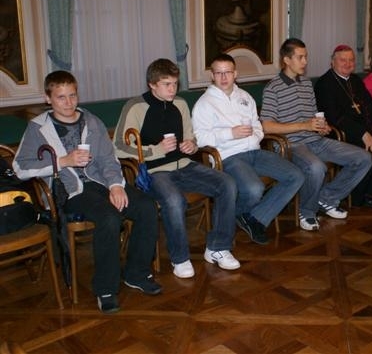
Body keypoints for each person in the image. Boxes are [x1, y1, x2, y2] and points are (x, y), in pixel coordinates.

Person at [13, 70, 161, 314]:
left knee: (146, 206)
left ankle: (136, 273)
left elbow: (108, 159)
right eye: (61, 97)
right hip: (70, 191)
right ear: (48, 98)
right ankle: (105, 289)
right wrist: (63, 161)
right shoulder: (38, 128)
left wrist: (115, 185)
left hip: (101, 182)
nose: (68, 103)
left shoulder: (91, 121)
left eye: (72, 95)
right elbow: (20, 168)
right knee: (109, 217)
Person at [113, 58, 240, 276]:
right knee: (173, 199)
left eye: (175, 84)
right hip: (155, 172)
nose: (173, 89)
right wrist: (156, 150)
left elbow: (191, 137)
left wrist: (192, 145)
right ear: (152, 84)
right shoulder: (135, 106)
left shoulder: (180, 104)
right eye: (166, 84)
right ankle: (180, 258)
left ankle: (218, 248)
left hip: (185, 166)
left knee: (227, 183)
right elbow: (118, 147)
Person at [191, 53, 304, 244]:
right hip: (228, 157)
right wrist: (230, 133)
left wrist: (255, 136)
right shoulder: (204, 104)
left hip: (255, 151)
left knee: (296, 175)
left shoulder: (245, 97)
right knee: (254, 188)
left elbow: (257, 125)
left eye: (228, 72)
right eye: (218, 73)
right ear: (212, 75)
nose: (224, 77)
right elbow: (200, 139)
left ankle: (254, 218)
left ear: (235, 74)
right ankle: (239, 217)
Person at [261, 38, 372, 229]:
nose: (305, 62)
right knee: (316, 167)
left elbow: (313, 116)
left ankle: (327, 198)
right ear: (286, 60)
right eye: (300, 57)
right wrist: (304, 125)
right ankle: (306, 212)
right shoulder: (273, 88)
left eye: (306, 57)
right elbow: (267, 126)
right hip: (291, 145)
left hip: (316, 139)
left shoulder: (306, 84)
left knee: (363, 158)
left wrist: (322, 126)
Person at [314, 44, 372, 208]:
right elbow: (335, 118)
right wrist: (363, 134)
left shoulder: (355, 80)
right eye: (343, 60)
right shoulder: (324, 84)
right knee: (370, 151)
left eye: (351, 60)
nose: (348, 64)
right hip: (343, 134)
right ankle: (362, 196)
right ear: (332, 62)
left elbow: (371, 104)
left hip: (367, 129)